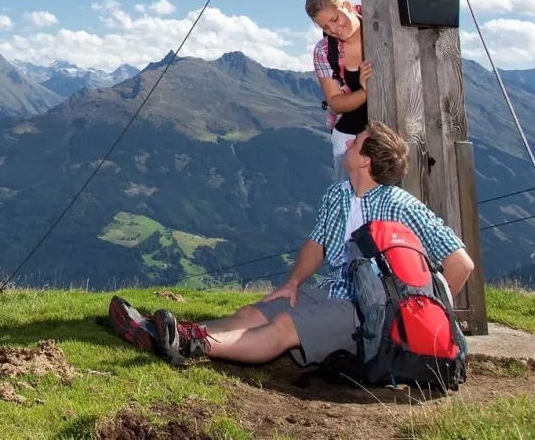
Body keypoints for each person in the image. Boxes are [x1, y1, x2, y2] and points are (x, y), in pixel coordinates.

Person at [109, 121, 474, 367]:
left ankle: (189, 345)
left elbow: (461, 262)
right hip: (335, 290)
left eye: (356, 142)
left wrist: (417, 325)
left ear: (364, 160)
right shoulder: (338, 194)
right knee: (252, 313)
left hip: (369, 309)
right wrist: (293, 283)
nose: (347, 141)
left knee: (283, 327)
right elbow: (316, 244)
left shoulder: (398, 205)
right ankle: (168, 334)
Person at [306, 0, 370, 178]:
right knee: (349, 198)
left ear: (348, 6)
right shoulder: (324, 50)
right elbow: (335, 102)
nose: (333, 30)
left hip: (394, 132)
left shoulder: (380, 27)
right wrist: (365, 92)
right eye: (324, 27)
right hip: (349, 139)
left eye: (335, 19)